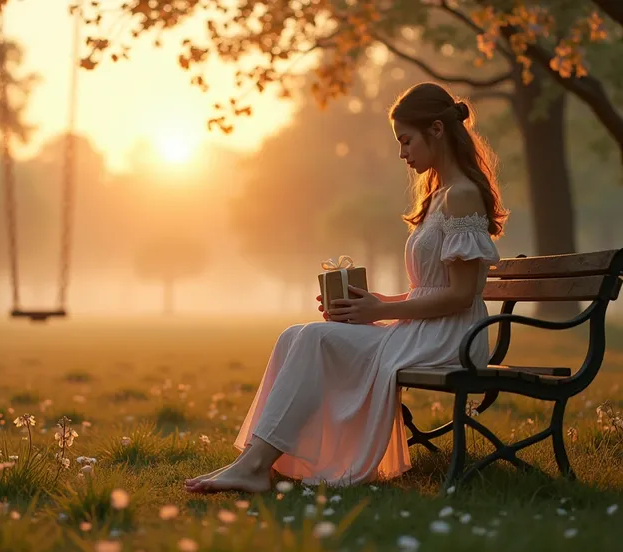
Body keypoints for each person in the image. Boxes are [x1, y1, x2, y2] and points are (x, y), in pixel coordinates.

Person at [185, 82, 508, 494]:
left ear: (438, 131)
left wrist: (377, 312)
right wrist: (367, 305)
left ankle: (255, 466)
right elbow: (429, 292)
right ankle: (252, 462)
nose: (402, 153)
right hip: (425, 329)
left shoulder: (461, 195)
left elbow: (461, 296)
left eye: (407, 141)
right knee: (296, 335)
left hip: (453, 338)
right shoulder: (439, 195)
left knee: (316, 339)